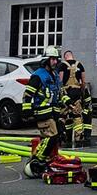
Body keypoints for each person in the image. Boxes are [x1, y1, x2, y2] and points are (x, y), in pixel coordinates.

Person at [23, 46, 69, 174]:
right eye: (52, 59)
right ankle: (38, 160)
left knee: (54, 137)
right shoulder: (38, 76)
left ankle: (43, 160)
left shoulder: (54, 76)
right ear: (46, 60)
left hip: (53, 113)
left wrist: (67, 101)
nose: (55, 62)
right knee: (51, 136)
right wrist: (26, 110)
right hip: (42, 112)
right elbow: (27, 95)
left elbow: (60, 93)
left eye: (56, 59)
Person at [59, 51, 87, 147]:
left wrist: (60, 94)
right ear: (72, 56)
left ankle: (62, 135)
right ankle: (78, 136)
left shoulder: (62, 65)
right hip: (77, 92)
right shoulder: (80, 65)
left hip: (66, 93)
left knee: (63, 114)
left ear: (65, 56)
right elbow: (83, 81)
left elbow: (60, 81)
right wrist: (82, 92)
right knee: (77, 114)